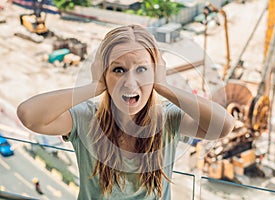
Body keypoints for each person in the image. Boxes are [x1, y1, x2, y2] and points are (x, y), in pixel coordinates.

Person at [17, 24, 234, 200]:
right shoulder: (86, 118)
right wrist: (94, 86)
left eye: (142, 70)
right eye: (118, 69)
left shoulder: (168, 118)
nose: (130, 83)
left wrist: (164, 86)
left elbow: (223, 126)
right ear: (104, 73)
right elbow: (29, 115)